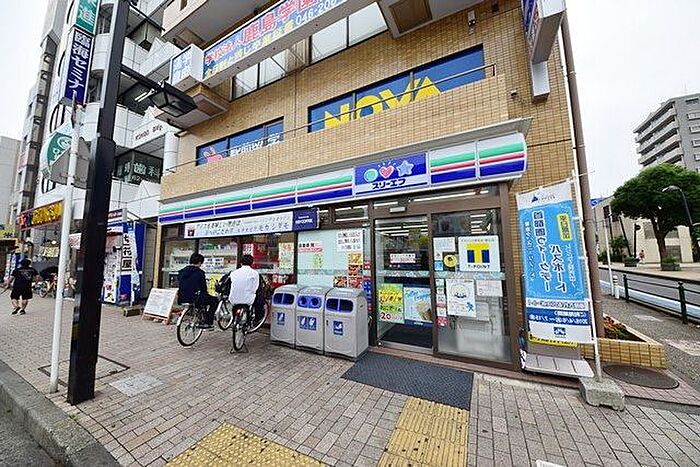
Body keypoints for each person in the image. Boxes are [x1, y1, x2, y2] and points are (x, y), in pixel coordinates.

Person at [177, 253, 217, 329]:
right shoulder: (199, 272)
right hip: (195, 298)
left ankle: (200, 317)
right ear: (199, 262)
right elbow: (203, 288)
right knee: (214, 301)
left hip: (182, 297)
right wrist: (207, 294)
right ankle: (208, 322)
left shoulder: (182, 272)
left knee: (201, 300)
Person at [228, 254, 260, 323]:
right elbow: (255, 287)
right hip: (247, 299)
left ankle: (233, 320)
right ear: (252, 263)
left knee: (236, 305)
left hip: (234, 297)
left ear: (241, 262)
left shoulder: (234, 273)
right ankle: (251, 322)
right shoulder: (254, 273)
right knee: (258, 302)